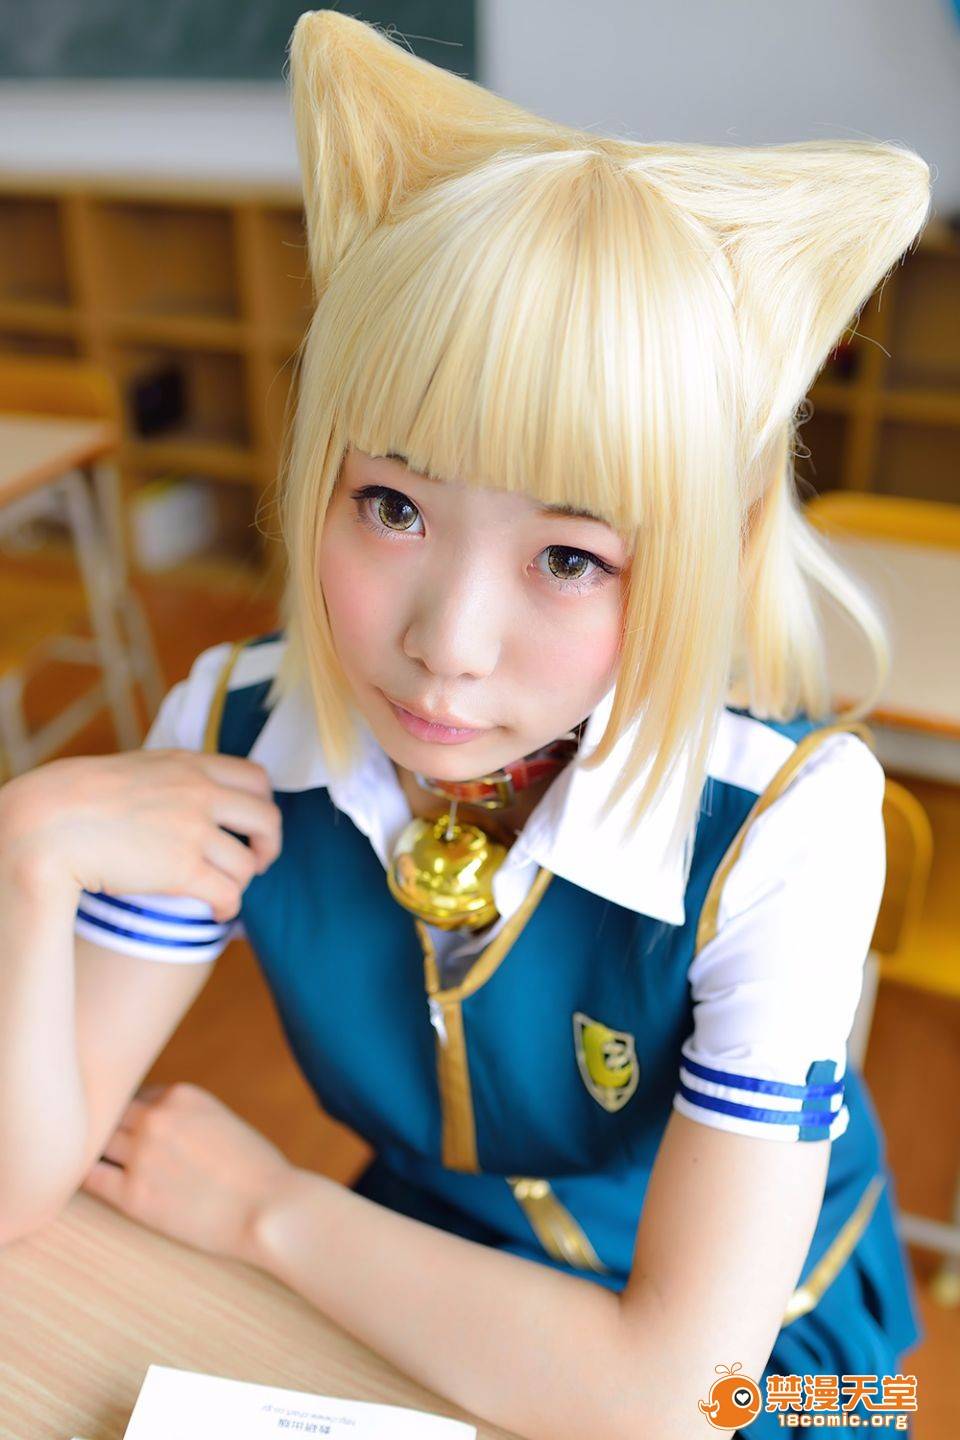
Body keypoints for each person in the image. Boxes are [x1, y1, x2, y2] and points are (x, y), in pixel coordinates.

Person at [0, 12, 932, 1438]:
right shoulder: (240, 722)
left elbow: (676, 1399)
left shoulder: (786, 828)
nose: (448, 642)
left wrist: (267, 1210)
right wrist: (24, 853)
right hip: (421, 1271)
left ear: (698, 560)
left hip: (783, 1355)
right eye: (392, 505)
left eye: (569, 555)